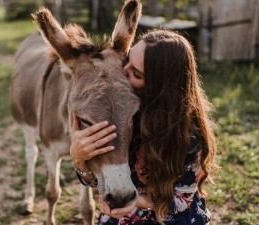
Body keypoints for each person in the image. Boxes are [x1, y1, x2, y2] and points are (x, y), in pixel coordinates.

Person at [70, 29, 218, 225]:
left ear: (159, 88)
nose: (123, 71)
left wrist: (136, 202)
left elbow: (182, 202)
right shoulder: (124, 116)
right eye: (127, 61)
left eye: (136, 73)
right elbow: (101, 180)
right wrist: (80, 159)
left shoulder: (188, 135)